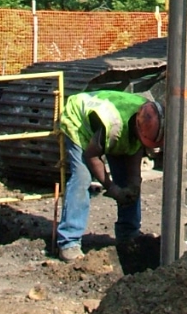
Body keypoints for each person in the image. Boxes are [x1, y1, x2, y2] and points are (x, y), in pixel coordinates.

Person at [56, 90, 164, 262]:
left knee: (128, 183)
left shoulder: (146, 115)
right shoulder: (113, 126)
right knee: (82, 178)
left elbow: (135, 149)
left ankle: (128, 234)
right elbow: (92, 156)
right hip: (79, 121)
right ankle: (69, 241)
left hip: (114, 127)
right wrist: (111, 188)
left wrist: (134, 183)